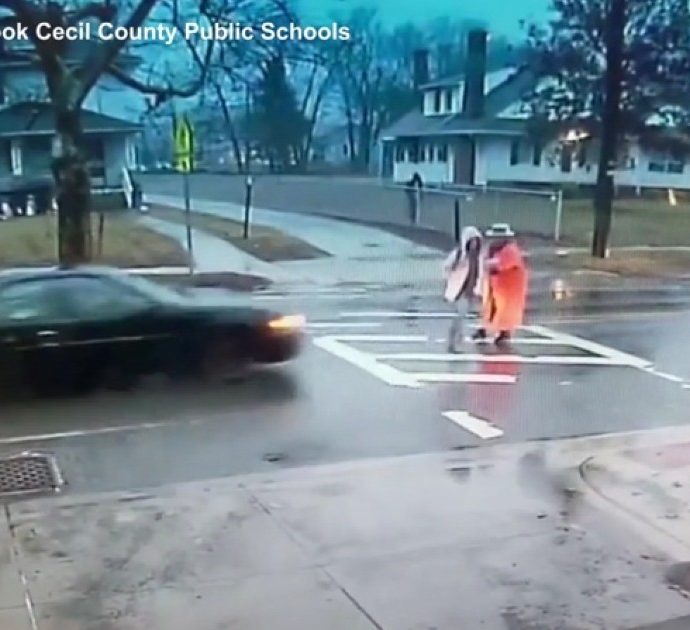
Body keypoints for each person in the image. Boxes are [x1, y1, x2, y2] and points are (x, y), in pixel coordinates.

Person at [472, 232, 528, 346]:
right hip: (495, 284)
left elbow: (502, 264)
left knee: (505, 311)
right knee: (490, 309)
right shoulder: (492, 249)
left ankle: (504, 332)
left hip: (508, 288)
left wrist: (488, 264)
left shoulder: (510, 250)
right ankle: (485, 329)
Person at [443, 226, 483, 352]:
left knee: (461, 318)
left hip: (470, 292)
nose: (474, 244)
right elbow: (446, 267)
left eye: (476, 241)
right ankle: (453, 344)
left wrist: (479, 290)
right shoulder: (459, 254)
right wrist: (453, 273)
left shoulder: (478, 257)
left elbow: (479, 274)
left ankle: (456, 343)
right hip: (459, 292)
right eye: (472, 241)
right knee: (458, 319)